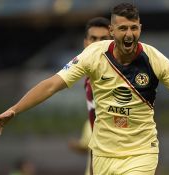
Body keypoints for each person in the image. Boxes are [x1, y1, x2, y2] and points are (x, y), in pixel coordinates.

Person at [0, 3, 169, 175]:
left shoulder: (156, 60)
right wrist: (15, 109)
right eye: (122, 29)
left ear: (140, 28)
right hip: (104, 155)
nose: (129, 34)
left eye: (133, 28)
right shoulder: (93, 55)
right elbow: (51, 85)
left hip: (140, 153)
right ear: (112, 30)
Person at [67, 16, 111, 175]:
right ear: (85, 43)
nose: (98, 44)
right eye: (93, 39)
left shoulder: (126, 77)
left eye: (103, 39)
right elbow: (50, 85)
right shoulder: (88, 78)